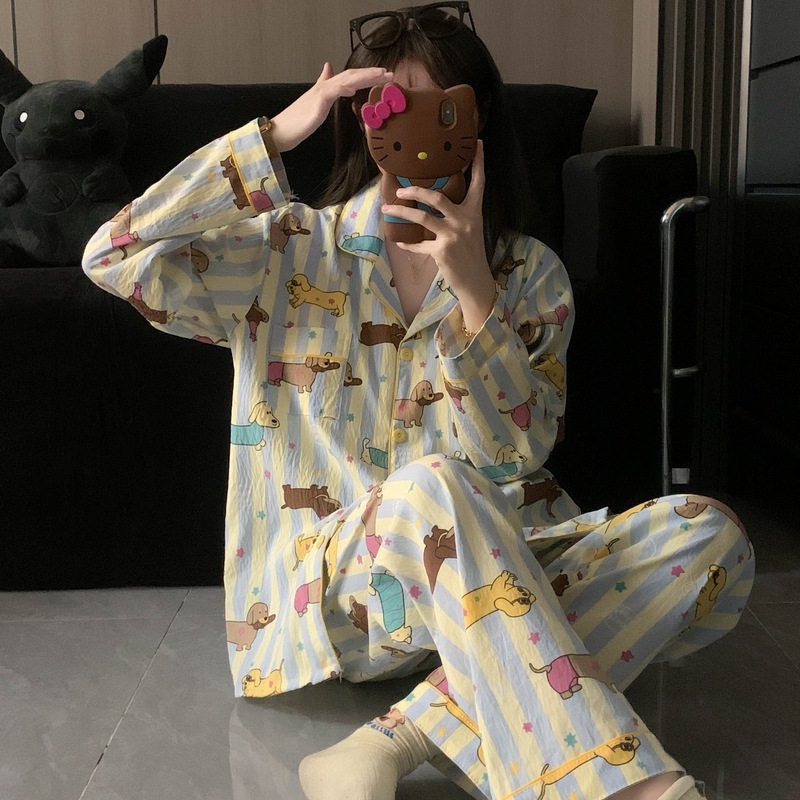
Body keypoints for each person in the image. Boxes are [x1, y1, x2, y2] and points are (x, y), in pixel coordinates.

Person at [82, 5, 754, 800]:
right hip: (335, 601)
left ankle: (393, 740)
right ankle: (620, 789)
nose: (418, 133)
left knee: (708, 533)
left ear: (478, 123)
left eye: (444, 110)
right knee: (434, 484)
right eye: (391, 109)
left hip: (492, 578)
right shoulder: (286, 251)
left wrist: (475, 295)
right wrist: (275, 137)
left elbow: (516, 455)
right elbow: (112, 256)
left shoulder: (529, 276)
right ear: (364, 123)